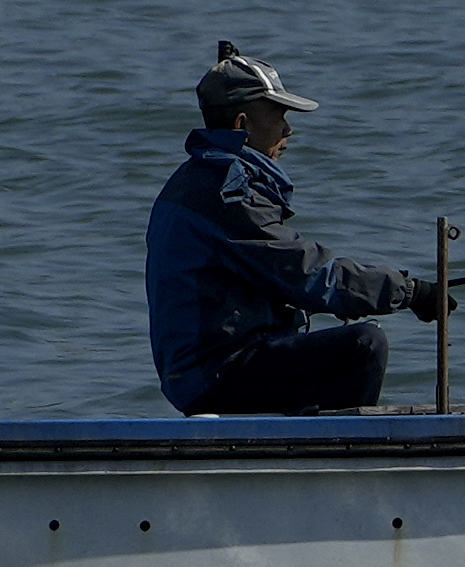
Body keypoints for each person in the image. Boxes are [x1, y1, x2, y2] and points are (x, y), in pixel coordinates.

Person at [145, 42, 440, 414]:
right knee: (364, 345)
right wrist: (409, 292)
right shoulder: (226, 194)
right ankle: (335, 461)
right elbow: (308, 273)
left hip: (203, 370)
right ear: (242, 124)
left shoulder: (194, 180)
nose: (288, 128)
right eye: (278, 114)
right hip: (215, 375)